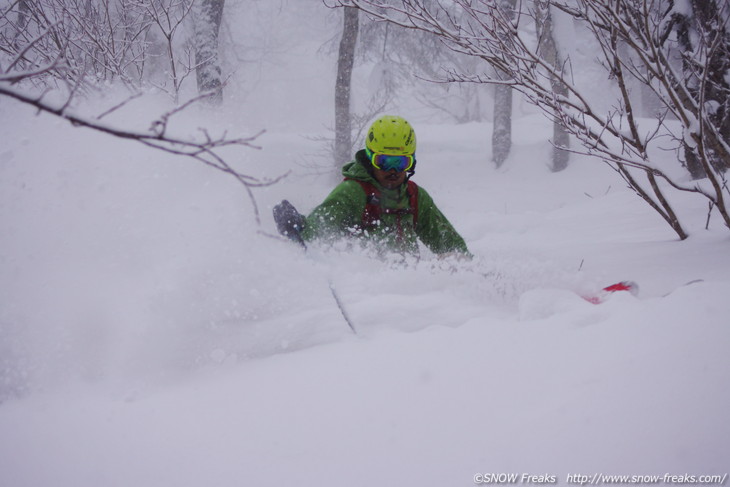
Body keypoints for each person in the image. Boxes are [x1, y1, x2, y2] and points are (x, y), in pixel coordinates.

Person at [273, 115, 470, 258]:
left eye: (401, 163)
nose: (392, 171)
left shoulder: (414, 196)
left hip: (411, 295)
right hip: (367, 296)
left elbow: (451, 247)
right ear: (370, 157)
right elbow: (318, 234)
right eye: (384, 161)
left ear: (412, 162)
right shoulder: (353, 192)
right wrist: (297, 226)